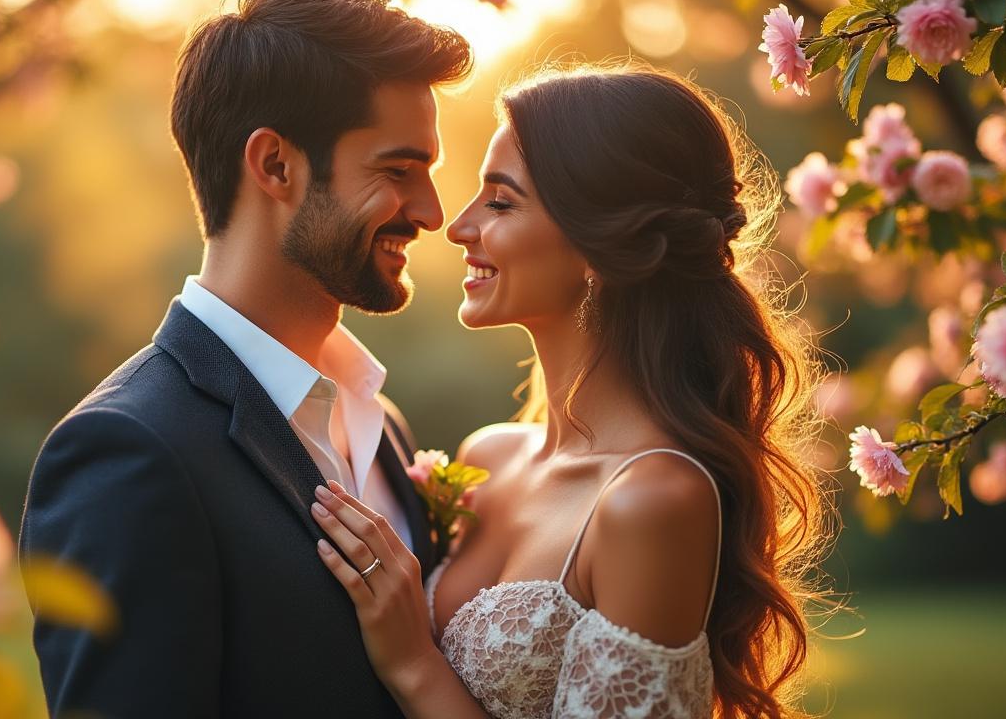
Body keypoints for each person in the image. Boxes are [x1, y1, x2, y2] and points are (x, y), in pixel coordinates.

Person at [311, 65, 833, 719]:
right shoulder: (490, 457)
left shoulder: (653, 500)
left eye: (500, 202)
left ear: (601, 244)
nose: (458, 226)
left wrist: (415, 663)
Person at [18, 0, 471, 717]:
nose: (430, 212)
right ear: (275, 166)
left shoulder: (380, 423)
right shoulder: (127, 451)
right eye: (398, 170)